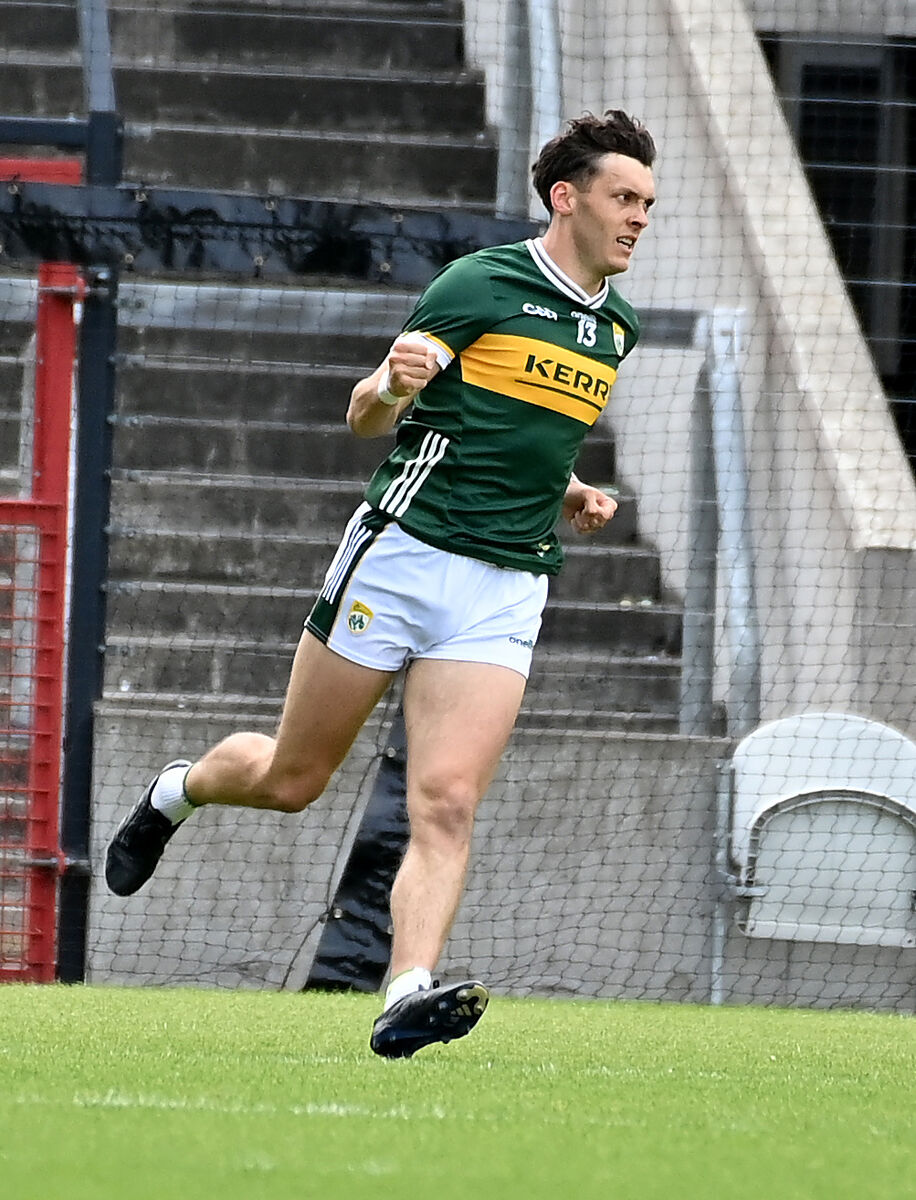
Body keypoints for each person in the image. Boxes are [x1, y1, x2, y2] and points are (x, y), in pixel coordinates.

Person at [106, 109, 657, 1058]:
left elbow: (521, 431)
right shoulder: (480, 283)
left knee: (446, 800)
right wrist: (393, 385)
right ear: (568, 199)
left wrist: (571, 491)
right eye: (624, 197)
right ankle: (175, 792)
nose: (640, 217)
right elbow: (367, 416)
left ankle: (406, 990)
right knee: (292, 779)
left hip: (506, 584)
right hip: (402, 556)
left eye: (648, 203)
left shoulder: (616, 326)